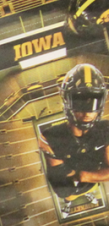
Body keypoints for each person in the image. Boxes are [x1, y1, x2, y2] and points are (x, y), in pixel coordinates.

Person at [40, 63, 109, 215]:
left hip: (87, 181)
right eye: (80, 100)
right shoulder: (51, 136)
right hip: (82, 182)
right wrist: (92, 174)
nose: (88, 112)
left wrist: (83, 175)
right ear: (67, 100)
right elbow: (64, 188)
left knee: (81, 189)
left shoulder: (105, 129)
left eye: (94, 100)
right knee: (69, 195)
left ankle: (84, 193)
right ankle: (69, 203)